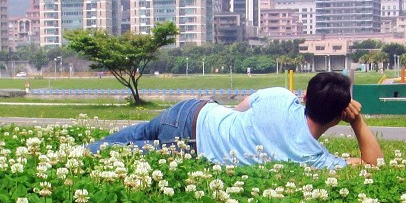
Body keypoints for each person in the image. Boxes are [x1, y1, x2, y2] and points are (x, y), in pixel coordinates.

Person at [85, 71, 382, 169]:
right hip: (187, 146)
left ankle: (81, 150)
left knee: (122, 140)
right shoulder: (311, 157)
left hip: (193, 110)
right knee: (120, 156)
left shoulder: (279, 95)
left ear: (305, 96)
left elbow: (239, 110)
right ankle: (80, 153)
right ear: (338, 116)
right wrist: (358, 122)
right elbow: (373, 164)